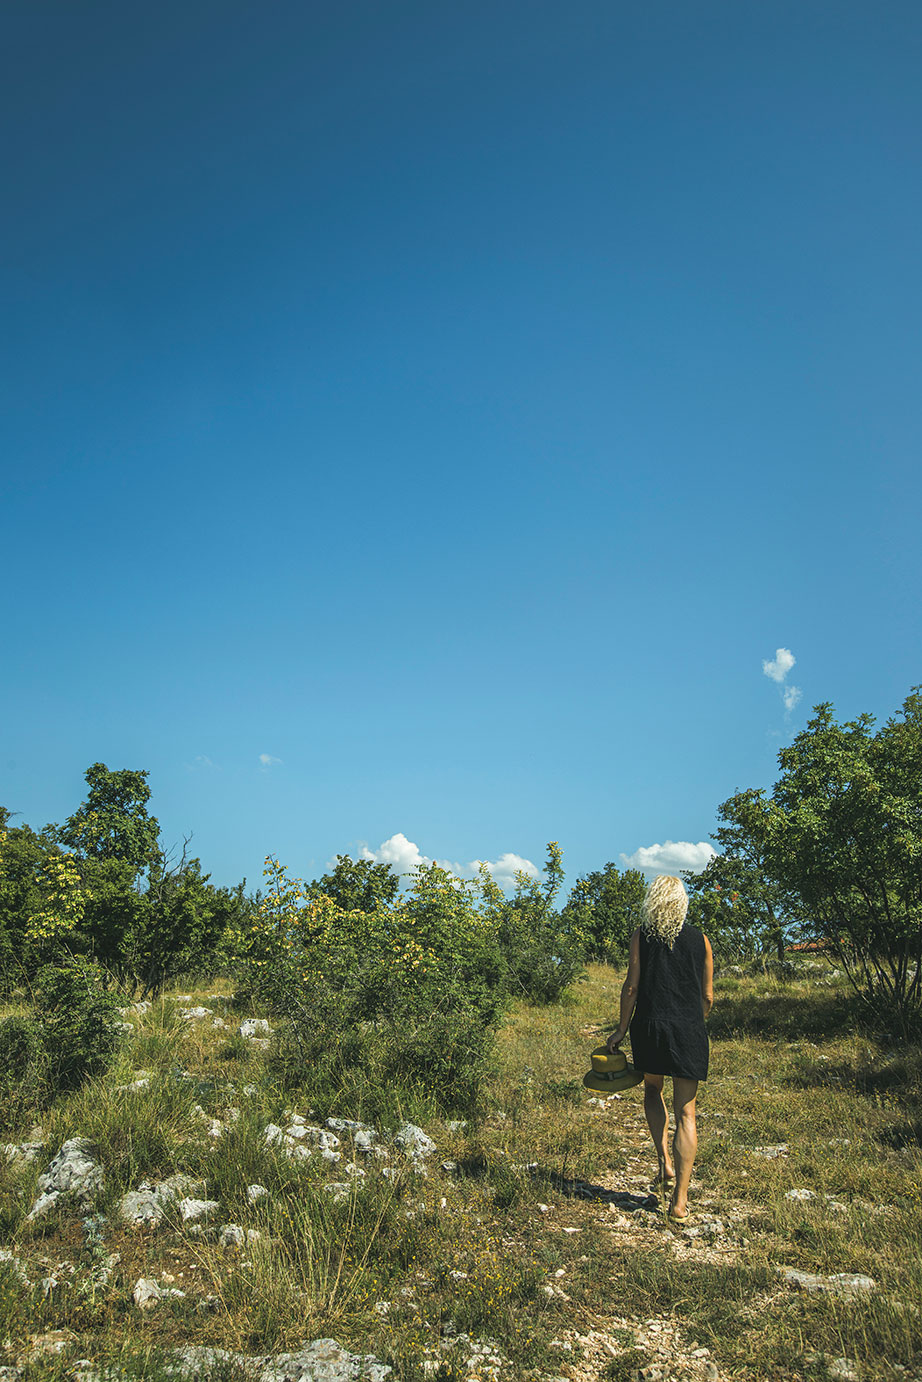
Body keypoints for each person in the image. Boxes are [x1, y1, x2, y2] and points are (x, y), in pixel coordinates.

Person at [606, 875, 713, 1220]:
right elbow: (707, 996)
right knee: (687, 1113)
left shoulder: (642, 936)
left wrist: (621, 1029)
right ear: (681, 902)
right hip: (689, 1030)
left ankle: (663, 1159)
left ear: (653, 901)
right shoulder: (702, 941)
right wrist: (695, 1023)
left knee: (652, 1089)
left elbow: (632, 988)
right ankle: (680, 1200)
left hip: (651, 1027)